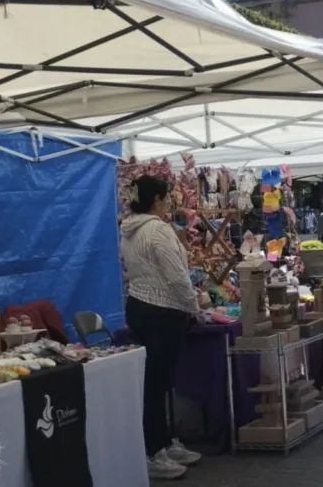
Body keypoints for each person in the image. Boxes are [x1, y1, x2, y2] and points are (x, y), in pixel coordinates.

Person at [119, 175, 201, 480]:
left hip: (139, 306)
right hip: (163, 310)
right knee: (157, 384)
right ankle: (154, 451)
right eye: (167, 198)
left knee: (155, 383)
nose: (169, 203)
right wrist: (193, 306)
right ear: (156, 200)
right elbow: (177, 276)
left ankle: (164, 442)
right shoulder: (158, 230)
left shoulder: (128, 229)